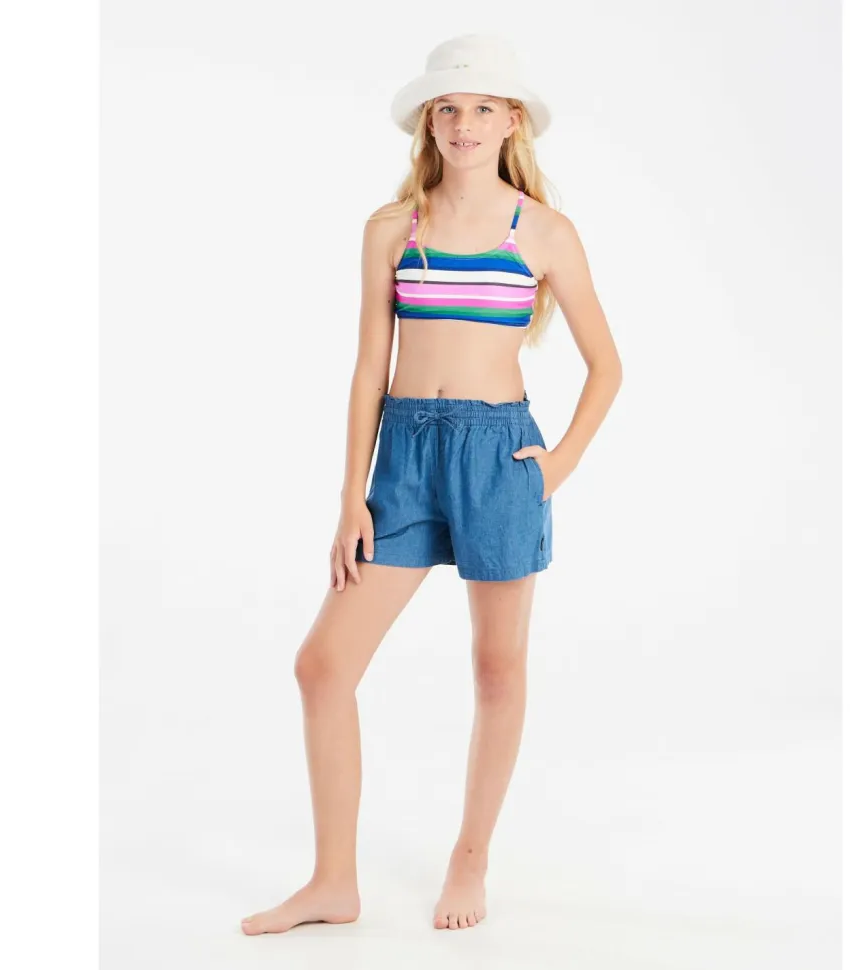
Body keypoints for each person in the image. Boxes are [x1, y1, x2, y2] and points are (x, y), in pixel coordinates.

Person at [241, 33, 622, 935]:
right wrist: (351, 496)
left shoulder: (545, 232)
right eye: (448, 108)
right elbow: (369, 367)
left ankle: (471, 856)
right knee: (322, 665)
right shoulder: (391, 229)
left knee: (497, 667)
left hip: (500, 457)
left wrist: (559, 464)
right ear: (428, 122)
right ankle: (334, 881)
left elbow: (607, 366)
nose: (464, 123)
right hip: (404, 460)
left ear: (512, 121)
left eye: (483, 108)